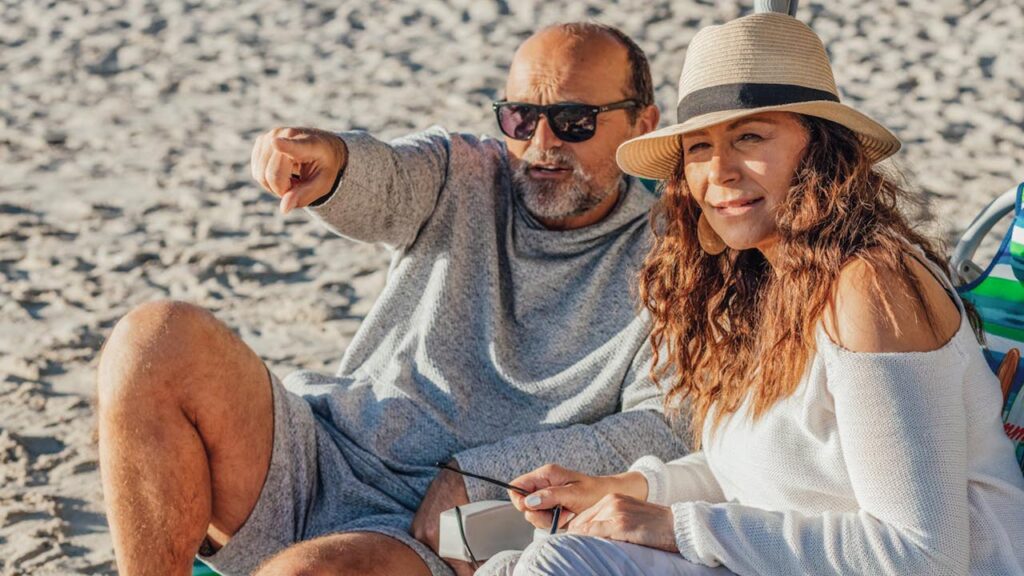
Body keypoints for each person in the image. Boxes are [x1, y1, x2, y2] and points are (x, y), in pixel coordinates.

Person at [95, 22, 690, 576]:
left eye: (573, 120)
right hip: (320, 447)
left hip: (431, 526)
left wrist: (485, 475)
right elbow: (385, 181)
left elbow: (663, 430)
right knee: (155, 337)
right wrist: (331, 162)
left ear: (643, 125)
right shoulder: (465, 171)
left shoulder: (677, 262)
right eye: (519, 117)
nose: (541, 143)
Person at [486, 13, 1024, 575]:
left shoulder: (872, 287)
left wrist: (671, 525)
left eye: (749, 137)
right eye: (698, 147)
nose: (719, 171)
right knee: (511, 564)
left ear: (821, 148)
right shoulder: (758, 280)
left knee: (558, 566)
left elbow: (921, 558)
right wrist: (632, 487)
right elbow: (761, 473)